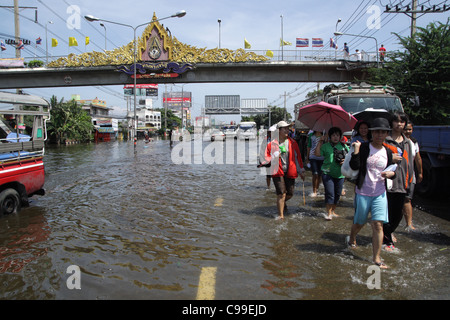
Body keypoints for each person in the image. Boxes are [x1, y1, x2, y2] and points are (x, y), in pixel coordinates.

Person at [347, 118, 397, 269]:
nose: (379, 135)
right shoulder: (364, 147)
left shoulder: (388, 151)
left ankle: (376, 258)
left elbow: (392, 170)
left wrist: (391, 175)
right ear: (371, 133)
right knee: (359, 222)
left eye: (383, 132)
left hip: (380, 193)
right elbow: (354, 165)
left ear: (387, 134)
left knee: (377, 225)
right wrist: (356, 151)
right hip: (363, 191)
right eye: (376, 132)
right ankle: (352, 236)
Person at [382, 112, 415, 251]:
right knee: (387, 212)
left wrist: (411, 181)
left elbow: (410, 163)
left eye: (402, 121)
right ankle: (387, 241)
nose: (399, 124)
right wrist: (390, 158)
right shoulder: (385, 140)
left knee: (398, 214)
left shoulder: (408, 142)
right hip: (387, 183)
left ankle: (387, 232)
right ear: (392, 123)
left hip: (403, 182)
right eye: (396, 121)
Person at [264, 121, 305, 220]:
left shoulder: (293, 142)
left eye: (288, 128)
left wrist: (301, 171)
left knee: (290, 193)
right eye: (285, 129)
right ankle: (280, 215)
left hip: (290, 170)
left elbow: (297, 157)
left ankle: (281, 202)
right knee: (282, 193)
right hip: (277, 171)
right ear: (278, 131)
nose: (287, 130)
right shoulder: (271, 144)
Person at [315, 127, 349, 220]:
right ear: (330, 136)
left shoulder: (344, 146)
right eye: (333, 135)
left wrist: (344, 161)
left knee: (338, 194)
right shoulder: (325, 146)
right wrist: (320, 142)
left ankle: (333, 210)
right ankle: (329, 213)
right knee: (330, 193)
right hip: (327, 173)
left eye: (337, 135)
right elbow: (317, 154)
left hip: (340, 174)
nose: (335, 137)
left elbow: (350, 158)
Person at [402, 122, 423, 230]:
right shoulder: (397, 141)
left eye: (410, 129)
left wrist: (420, 172)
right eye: (406, 129)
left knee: (407, 199)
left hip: (410, 175)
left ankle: (408, 223)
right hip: (398, 176)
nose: (407, 132)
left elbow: (418, 158)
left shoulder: (414, 142)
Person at [306, 131, 324, 197]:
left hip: (322, 157)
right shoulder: (311, 135)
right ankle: (314, 191)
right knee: (315, 174)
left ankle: (317, 188)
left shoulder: (325, 135)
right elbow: (309, 146)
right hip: (312, 157)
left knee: (319, 174)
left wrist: (324, 140)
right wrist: (307, 158)